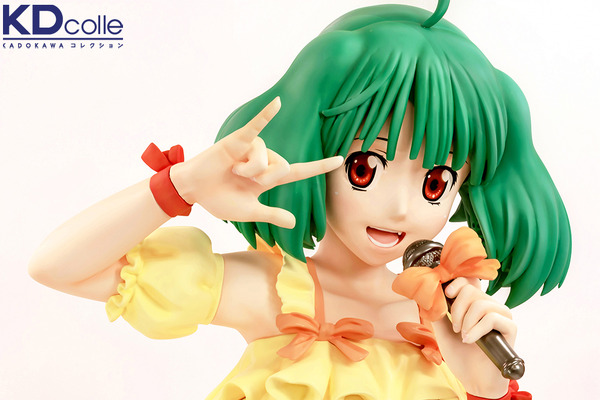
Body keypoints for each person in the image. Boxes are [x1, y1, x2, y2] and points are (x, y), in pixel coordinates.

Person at [28, 2, 570, 399]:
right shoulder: (277, 294)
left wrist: (483, 382)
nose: (402, 209)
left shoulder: (447, 324)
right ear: (317, 152)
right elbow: (56, 267)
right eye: (365, 168)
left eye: (434, 183)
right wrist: (182, 186)